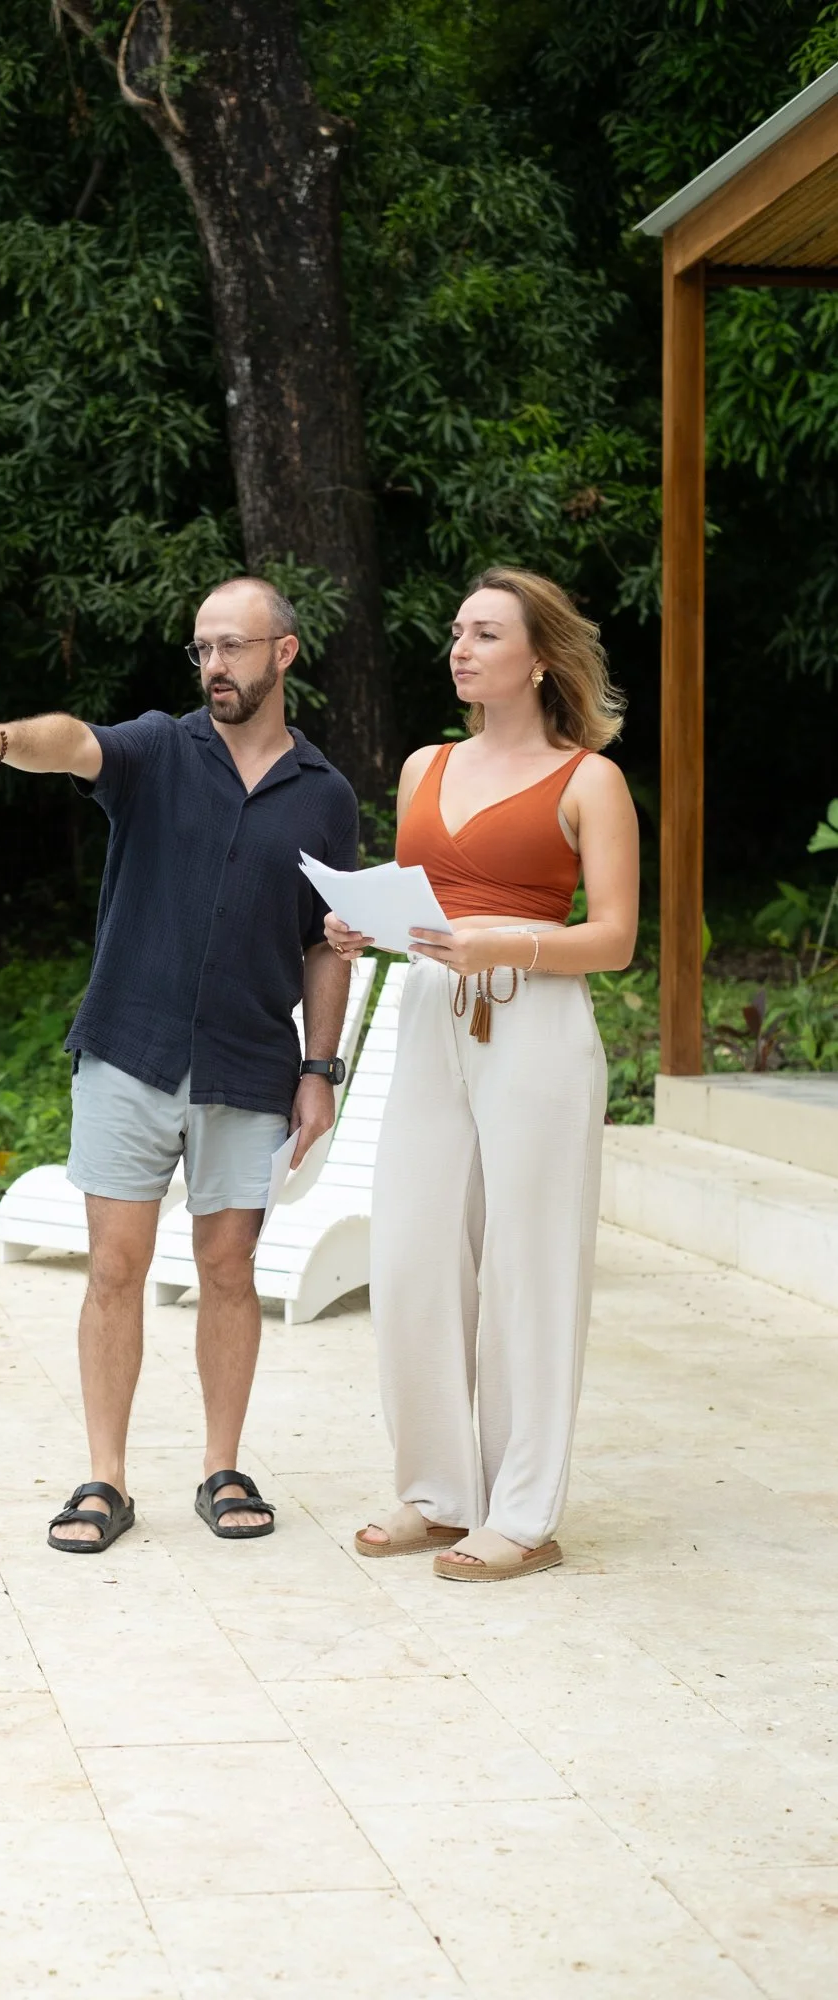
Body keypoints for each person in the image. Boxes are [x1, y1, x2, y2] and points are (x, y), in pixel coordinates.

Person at [0, 578, 358, 1551]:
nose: (214, 666)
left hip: (249, 1064)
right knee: (115, 1265)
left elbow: (326, 942)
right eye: (201, 648)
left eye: (232, 646)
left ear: (284, 651)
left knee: (228, 1269)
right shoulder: (160, 747)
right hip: (129, 1049)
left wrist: (320, 1066)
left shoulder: (324, 795)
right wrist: (0, 735)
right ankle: (104, 1475)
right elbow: (77, 740)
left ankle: (220, 1464)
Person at [326, 567, 638, 1581]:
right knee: (412, 1250)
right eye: (457, 631)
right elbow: (423, 904)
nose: (460, 648)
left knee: (528, 1263)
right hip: (426, 1014)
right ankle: (435, 1489)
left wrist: (509, 938)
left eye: (485, 633)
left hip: (535, 1021)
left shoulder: (589, 778)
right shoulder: (425, 766)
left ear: (539, 658)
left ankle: (523, 1510)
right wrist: (359, 924)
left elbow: (616, 937)